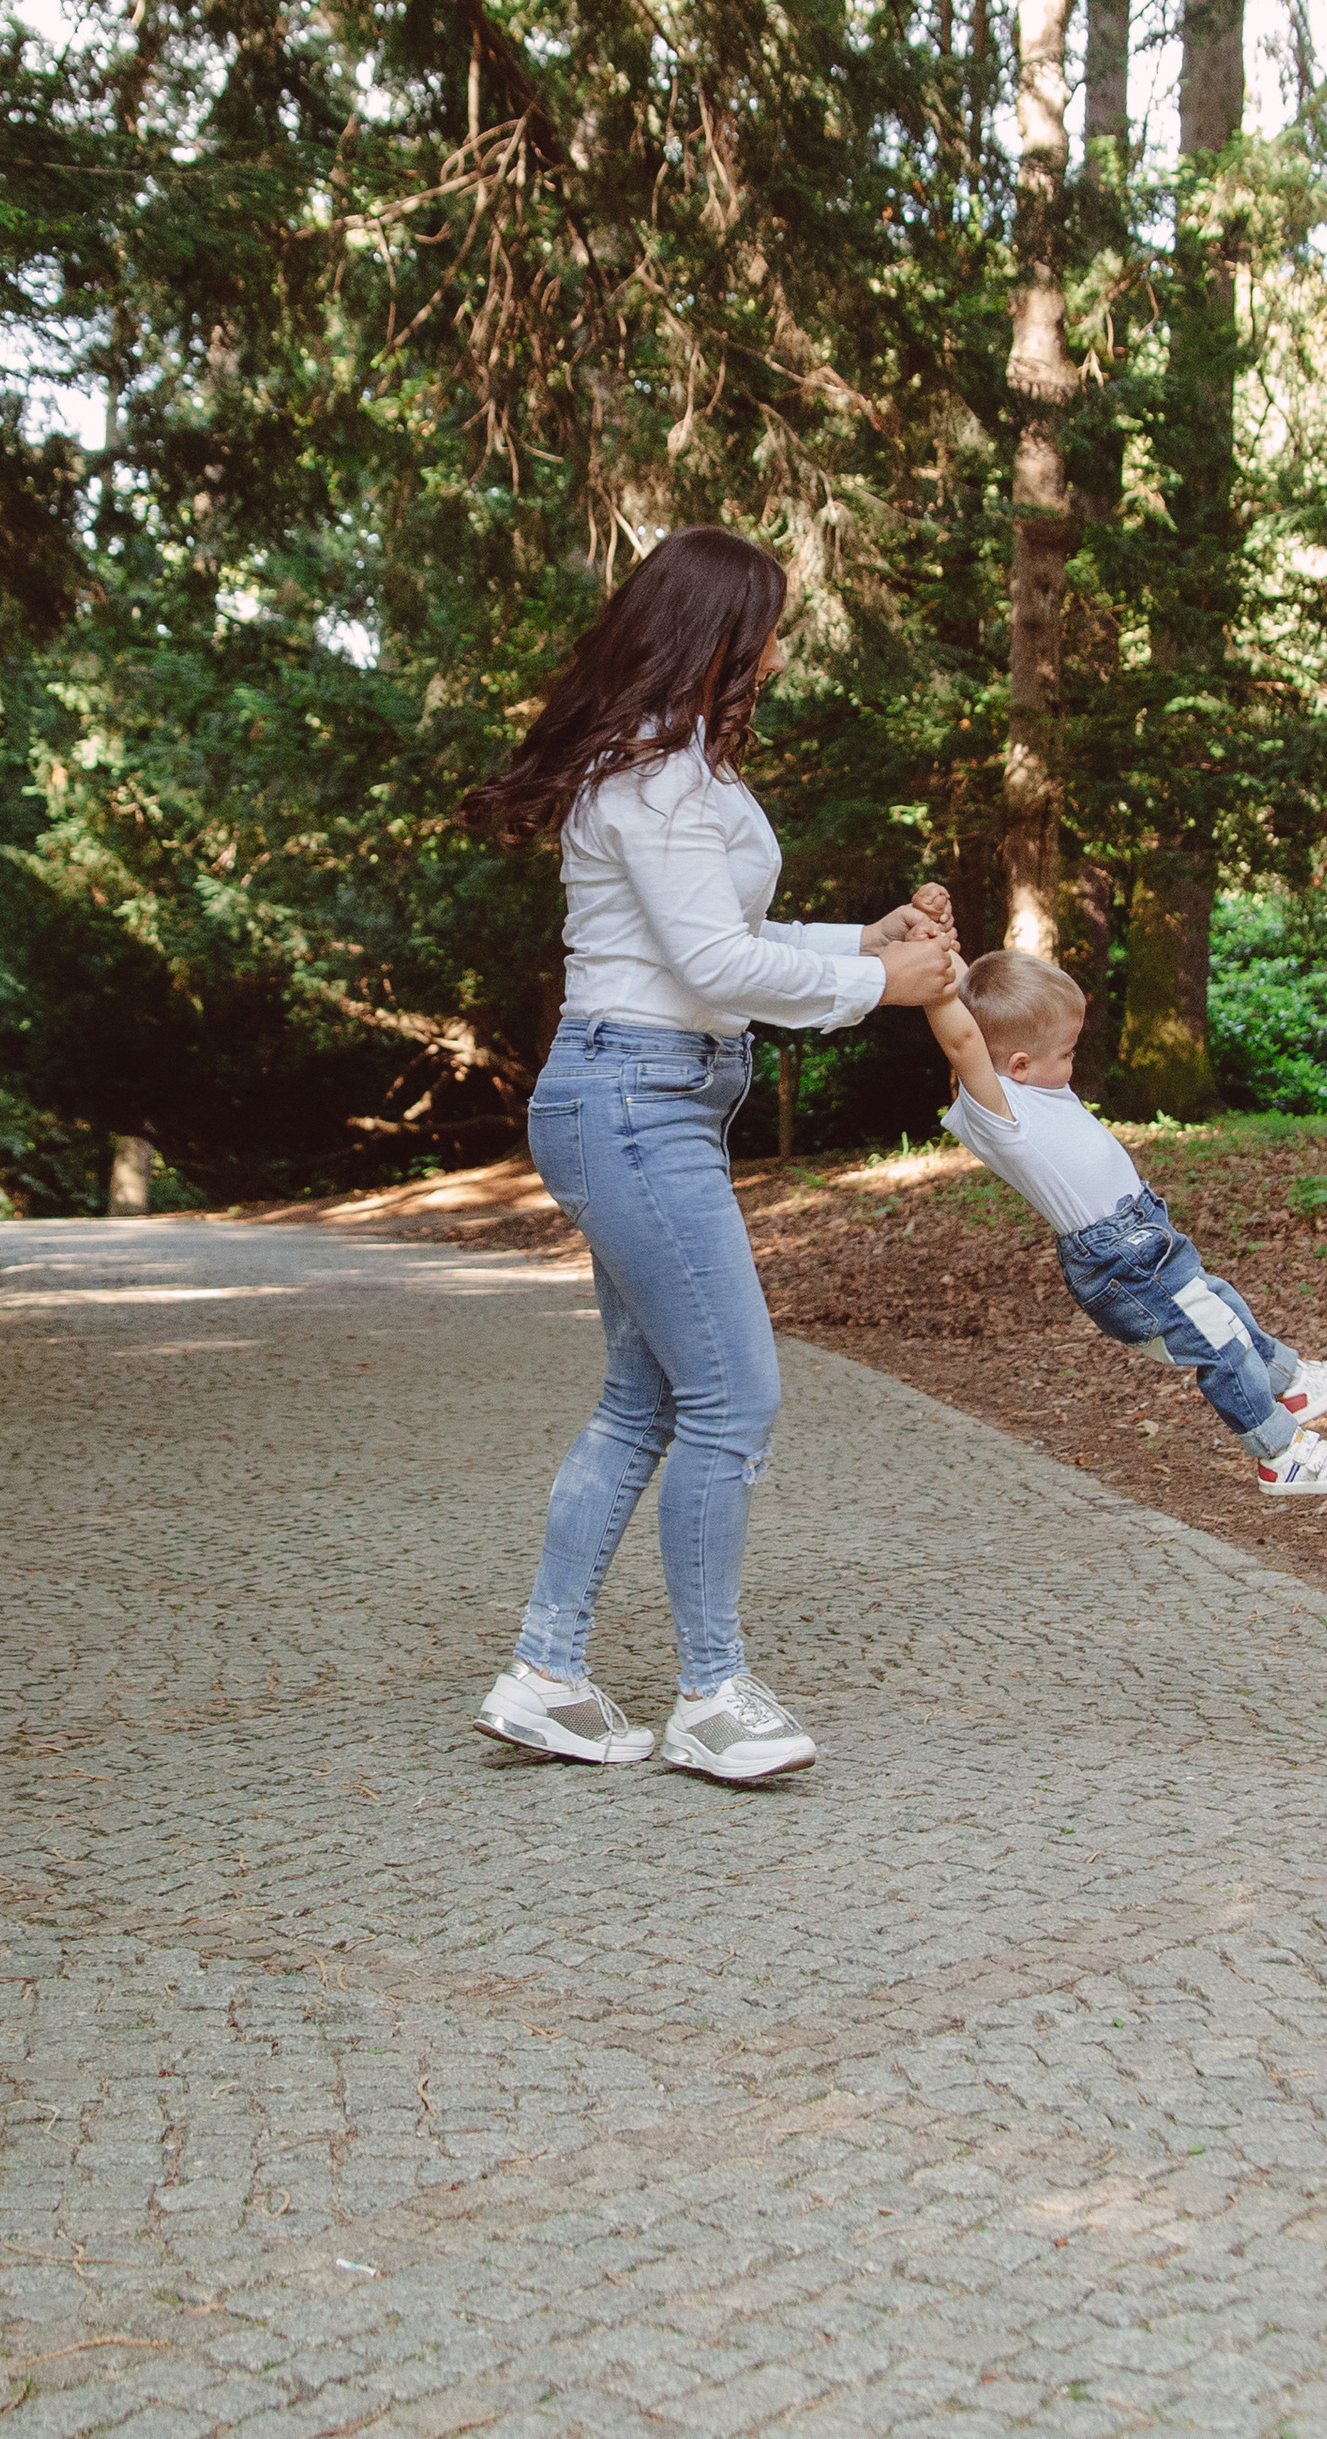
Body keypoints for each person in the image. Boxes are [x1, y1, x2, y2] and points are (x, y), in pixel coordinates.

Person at [461, 526, 958, 1784]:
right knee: (734, 1400)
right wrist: (879, 988)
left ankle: (545, 1677)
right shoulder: (655, 782)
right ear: (717, 636)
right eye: (769, 629)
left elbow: (728, 932)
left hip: (648, 1096)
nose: (779, 654)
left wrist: (862, 939)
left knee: (645, 1403)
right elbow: (714, 967)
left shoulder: (680, 769)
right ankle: (711, 1698)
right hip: (634, 1097)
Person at [920, 913, 1327, 1496]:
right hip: (1119, 1258)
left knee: (1222, 1305)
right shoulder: (1002, 1114)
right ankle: (1281, 1455)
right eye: (1067, 1052)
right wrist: (931, 988)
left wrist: (936, 940)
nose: (1073, 1063)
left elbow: (975, 1005)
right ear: (1020, 1065)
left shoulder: (1032, 1080)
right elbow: (963, 1036)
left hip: (1144, 1232)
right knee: (1219, 1345)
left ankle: (1291, 1381)